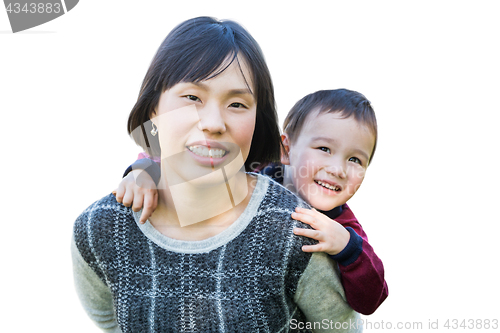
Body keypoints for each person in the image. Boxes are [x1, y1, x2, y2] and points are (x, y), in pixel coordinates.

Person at [72, 16, 361, 333]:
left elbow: (339, 327)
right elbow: (107, 319)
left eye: (237, 103)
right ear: (153, 107)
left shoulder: (296, 232)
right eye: (193, 97)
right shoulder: (101, 228)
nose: (213, 122)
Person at [117, 89, 388, 316]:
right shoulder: (253, 176)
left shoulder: (343, 226)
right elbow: (192, 166)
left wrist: (347, 247)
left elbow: (372, 298)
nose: (338, 169)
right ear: (286, 149)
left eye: (355, 160)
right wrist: (143, 170)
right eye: (324, 149)